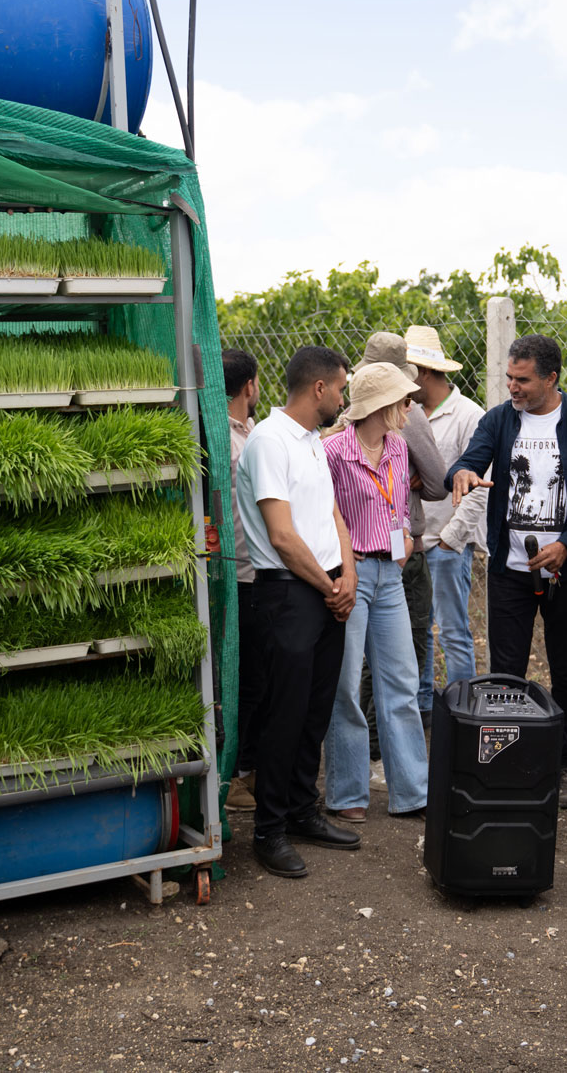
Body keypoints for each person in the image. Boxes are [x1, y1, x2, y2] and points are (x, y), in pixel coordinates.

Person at [447, 334, 567, 808]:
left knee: (566, 672)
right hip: (510, 571)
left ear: (551, 378)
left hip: (566, 571)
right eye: (509, 379)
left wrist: (566, 544)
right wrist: (460, 473)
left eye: (522, 380)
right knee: (505, 674)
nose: (513, 388)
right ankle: (508, 762)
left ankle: (564, 767)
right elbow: (469, 461)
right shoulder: (499, 421)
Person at [234, 345, 361, 878]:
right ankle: (269, 831)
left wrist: (347, 574)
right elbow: (282, 536)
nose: (342, 397)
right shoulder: (268, 441)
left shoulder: (311, 441)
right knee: (282, 716)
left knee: (315, 709)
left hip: (324, 589)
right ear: (318, 390)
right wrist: (328, 585)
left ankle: (303, 810)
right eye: (340, 389)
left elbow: (332, 512)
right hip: (287, 593)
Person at [322, 362, 432, 822]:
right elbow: (325, 514)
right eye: (404, 401)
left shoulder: (400, 448)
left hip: (390, 575)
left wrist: (404, 534)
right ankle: (347, 793)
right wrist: (345, 567)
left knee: (402, 681)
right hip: (352, 574)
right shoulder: (332, 452)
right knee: (346, 685)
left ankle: (413, 792)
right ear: (382, 406)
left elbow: (399, 506)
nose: (411, 408)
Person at [352, 332, 446, 782]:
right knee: (403, 653)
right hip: (400, 554)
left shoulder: (342, 429)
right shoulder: (409, 421)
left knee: (365, 658)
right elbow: (436, 483)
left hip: (357, 552)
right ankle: (380, 753)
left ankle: (370, 754)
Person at [408, 324, 486, 711]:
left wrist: (453, 539)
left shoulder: (468, 415)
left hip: (446, 542)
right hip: (414, 542)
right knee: (419, 631)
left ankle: (460, 710)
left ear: (422, 372)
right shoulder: (406, 413)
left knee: (453, 631)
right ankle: (423, 705)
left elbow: (478, 488)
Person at [222, 348, 261, 812]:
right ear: (249, 386)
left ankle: (248, 769)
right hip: (237, 574)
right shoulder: (227, 438)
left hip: (257, 571)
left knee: (257, 679)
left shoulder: (252, 431)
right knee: (240, 681)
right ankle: (232, 778)